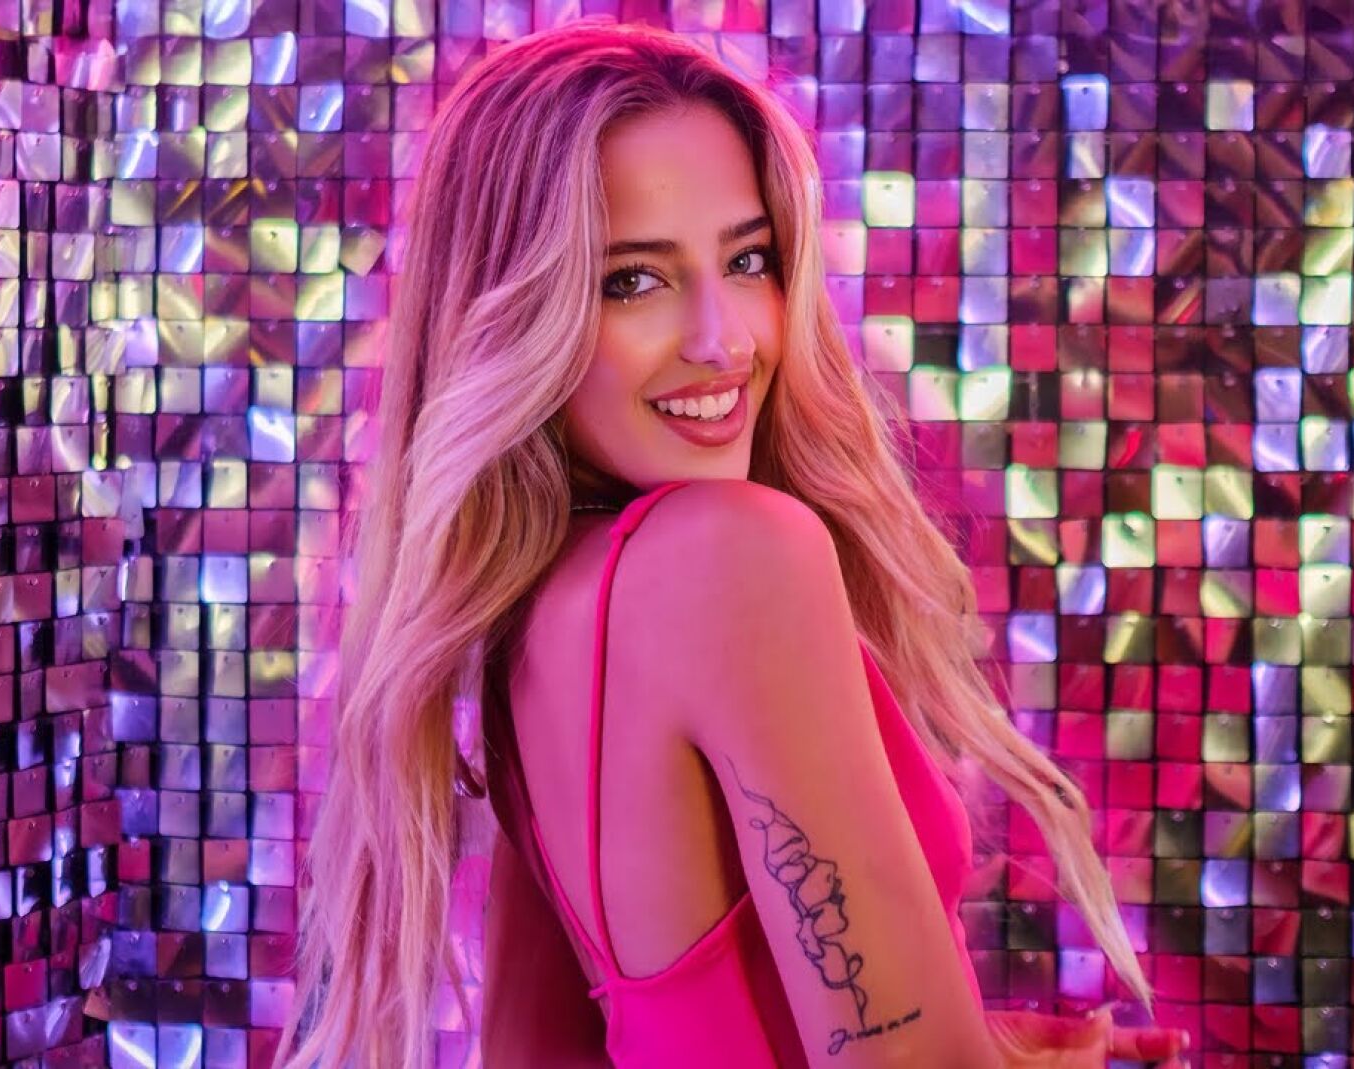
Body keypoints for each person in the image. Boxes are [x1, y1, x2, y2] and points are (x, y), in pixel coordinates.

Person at [274, 18, 1189, 1069]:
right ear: (511, 311)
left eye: (748, 259)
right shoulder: (733, 557)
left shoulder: (535, 622)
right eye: (633, 279)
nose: (724, 341)